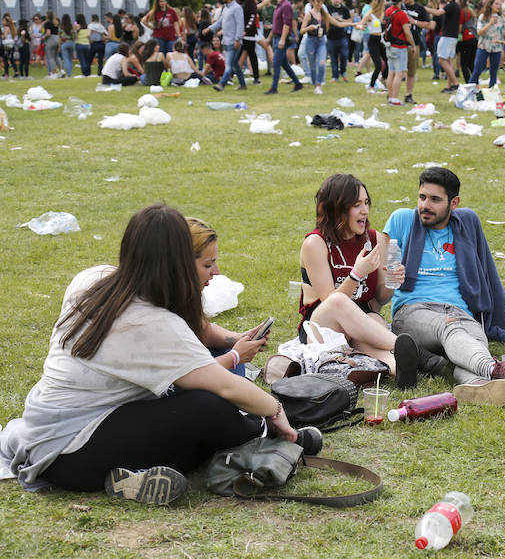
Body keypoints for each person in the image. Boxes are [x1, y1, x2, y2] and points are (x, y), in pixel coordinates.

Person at [0, 205, 298, 504]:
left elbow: (200, 341)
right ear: (178, 262)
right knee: (207, 408)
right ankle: (267, 436)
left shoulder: (92, 279)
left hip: (47, 434)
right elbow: (223, 385)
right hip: (71, 454)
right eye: (208, 264)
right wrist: (274, 410)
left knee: (193, 410)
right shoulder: (151, 323)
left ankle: (135, 475)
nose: (216, 272)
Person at [380, 167, 505, 406]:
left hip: (460, 312)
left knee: (469, 347)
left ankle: (477, 387)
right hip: (414, 310)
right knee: (452, 329)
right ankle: (493, 368)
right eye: (422, 197)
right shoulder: (401, 220)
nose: (425, 205)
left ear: (454, 202)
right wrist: (391, 275)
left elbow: (487, 270)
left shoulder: (466, 224)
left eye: (435, 200)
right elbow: (381, 282)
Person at [298, 175, 420, 388]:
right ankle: (418, 353)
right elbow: (331, 301)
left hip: (361, 320)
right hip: (323, 325)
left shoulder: (375, 240)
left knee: (373, 321)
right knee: (339, 303)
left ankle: (397, 368)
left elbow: (379, 300)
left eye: (366, 203)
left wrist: (392, 282)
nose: (365, 210)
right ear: (336, 209)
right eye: (357, 205)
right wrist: (357, 273)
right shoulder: (315, 243)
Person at [186, 218, 269, 377]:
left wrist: (240, 338)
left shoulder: (184, 294)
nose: (216, 272)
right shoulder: (159, 311)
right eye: (207, 265)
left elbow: (203, 330)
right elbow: (183, 376)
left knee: (224, 352)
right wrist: (235, 356)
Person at [264, 0, 304, 94]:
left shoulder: (286, 5)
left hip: (281, 38)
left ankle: (274, 87)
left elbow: (287, 24)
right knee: (284, 64)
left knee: (276, 62)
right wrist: (269, 37)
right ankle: (298, 83)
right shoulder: (279, 5)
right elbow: (276, 24)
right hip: (276, 36)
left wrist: (282, 39)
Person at [206, 0, 247, 92]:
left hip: (233, 42)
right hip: (226, 41)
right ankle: (242, 84)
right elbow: (220, 22)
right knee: (235, 64)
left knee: (228, 65)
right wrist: (209, 29)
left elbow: (240, 25)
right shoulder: (226, 8)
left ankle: (221, 84)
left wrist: (238, 39)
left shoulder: (237, 8)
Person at [468, 0, 505, 89]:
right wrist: (490, 23)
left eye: (500, 4)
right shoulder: (483, 17)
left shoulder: (501, 18)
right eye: (496, 4)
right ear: (490, 5)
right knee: (477, 70)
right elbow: (479, 32)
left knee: (493, 73)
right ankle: (469, 90)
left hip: (496, 48)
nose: (498, 6)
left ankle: (491, 92)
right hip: (484, 46)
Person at [383, 0, 417, 106]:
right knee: (399, 73)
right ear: (401, 0)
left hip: (390, 46)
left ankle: (390, 97)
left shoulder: (388, 11)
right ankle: (395, 99)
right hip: (400, 46)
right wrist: (413, 45)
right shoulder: (402, 14)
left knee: (391, 73)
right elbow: (407, 33)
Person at [401, 0, 433, 104]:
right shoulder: (399, 7)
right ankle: (392, 94)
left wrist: (414, 21)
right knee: (396, 71)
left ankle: (408, 94)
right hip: (399, 43)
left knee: (411, 71)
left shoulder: (419, 8)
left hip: (414, 43)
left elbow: (428, 24)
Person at [426, 0, 461, 92]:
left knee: (441, 60)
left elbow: (437, 13)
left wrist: (423, 8)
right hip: (452, 37)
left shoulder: (451, 5)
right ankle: (449, 86)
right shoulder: (455, 6)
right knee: (449, 61)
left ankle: (455, 83)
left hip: (447, 36)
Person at [356, 0, 388, 93]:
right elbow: (359, 24)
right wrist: (360, 27)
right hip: (373, 40)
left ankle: (383, 79)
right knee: (378, 65)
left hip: (381, 40)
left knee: (388, 62)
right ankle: (371, 86)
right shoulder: (370, 14)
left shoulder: (383, 14)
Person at [233, 0, 261, 85]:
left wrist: (246, 30)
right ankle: (230, 75)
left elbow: (253, 17)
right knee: (236, 55)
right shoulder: (237, 1)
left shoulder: (250, 1)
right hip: (238, 32)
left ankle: (256, 77)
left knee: (251, 55)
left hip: (249, 33)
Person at [325, 0, 352, 83]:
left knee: (344, 55)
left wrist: (341, 20)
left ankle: (343, 72)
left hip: (342, 36)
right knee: (333, 58)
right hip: (331, 37)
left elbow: (350, 20)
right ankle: (335, 76)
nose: (336, 0)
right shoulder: (328, 8)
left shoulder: (344, 9)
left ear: (341, 0)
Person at [42, 11, 62, 77]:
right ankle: (61, 70)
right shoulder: (56, 23)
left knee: (51, 57)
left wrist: (43, 37)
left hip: (50, 40)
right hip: (57, 39)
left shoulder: (47, 23)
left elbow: (48, 33)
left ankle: (54, 73)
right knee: (56, 56)